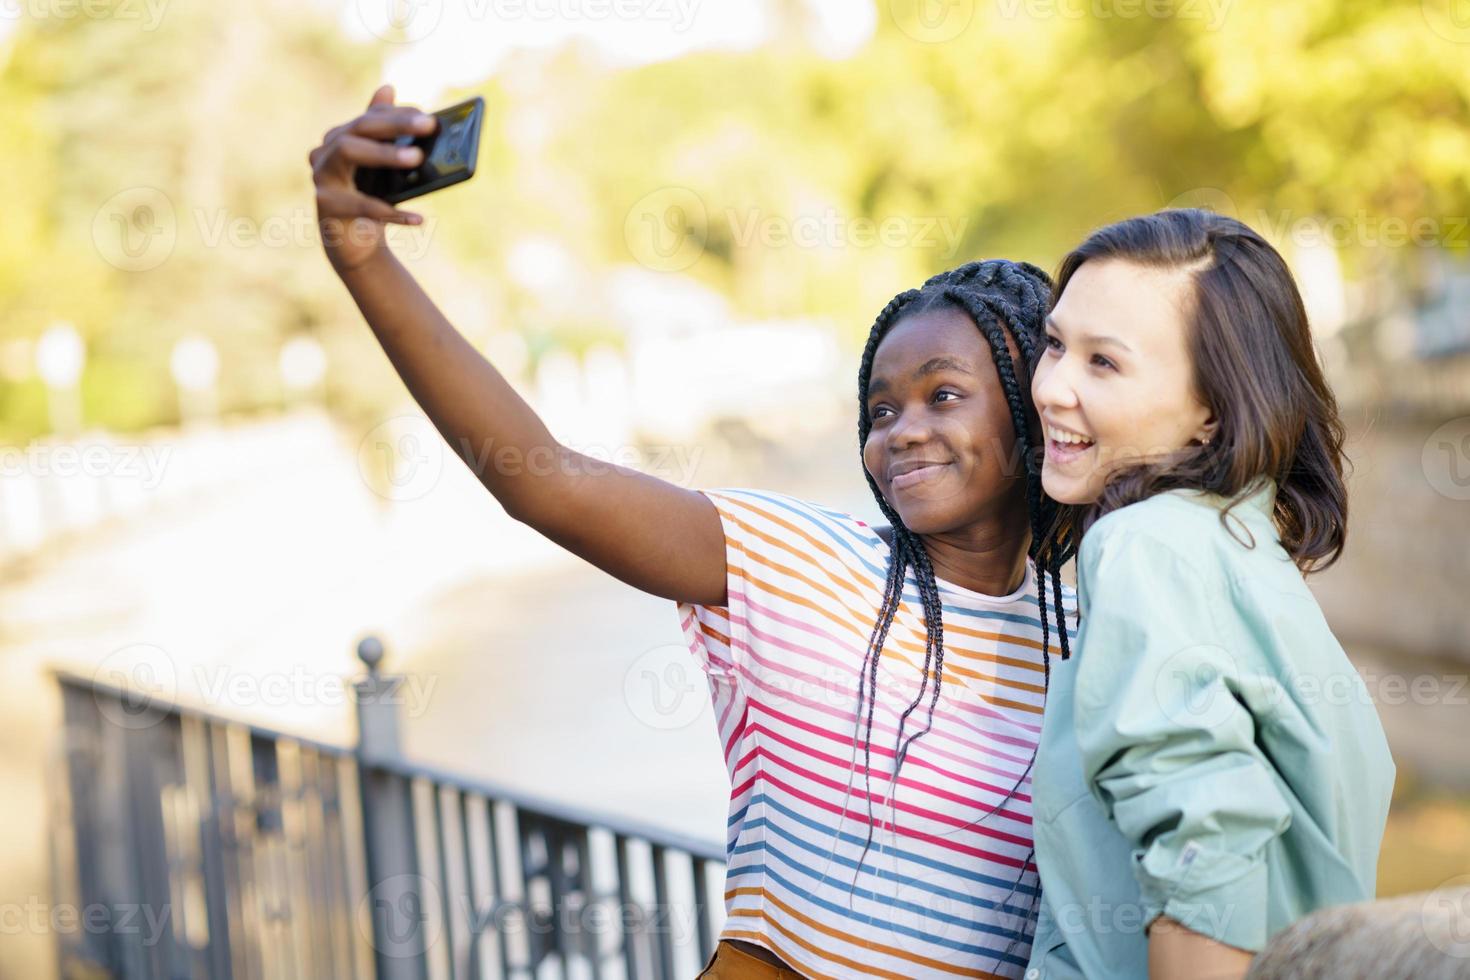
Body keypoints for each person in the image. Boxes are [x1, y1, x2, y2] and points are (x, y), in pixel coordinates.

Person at [310, 85, 1075, 979]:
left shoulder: (1087, 627)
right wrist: (363, 258)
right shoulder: (802, 565)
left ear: (1033, 409)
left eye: (943, 395)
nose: (900, 429)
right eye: (878, 408)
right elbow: (542, 480)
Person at [1023, 208, 1395, 980]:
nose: (1052, 386)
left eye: (1104, 364)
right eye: (1056, 343)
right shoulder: (1245, 549)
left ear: (1212, 413)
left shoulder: (1144, 547)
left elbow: (1205, 864)